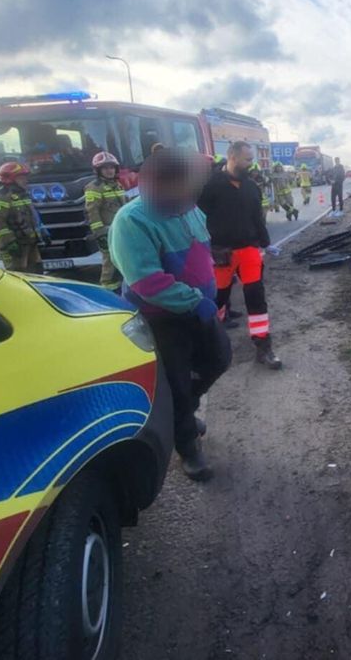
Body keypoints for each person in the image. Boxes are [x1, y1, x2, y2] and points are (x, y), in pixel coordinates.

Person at [109, 148, 230, 481]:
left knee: (219, 359)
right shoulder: (132, 220)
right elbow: (148, 282)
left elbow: (199, 248)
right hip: (161, 318)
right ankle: (188, 447)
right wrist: (196, 301)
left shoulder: (190, 209)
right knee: (177, 384)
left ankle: (183, 414)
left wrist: (215, 260)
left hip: (198, 310)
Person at [198, 140, 284, 370]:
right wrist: (204, 247)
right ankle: (211, 345)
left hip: (249, 251)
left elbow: (258, 219)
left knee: (256, 297)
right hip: (221, 253)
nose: (251, 163)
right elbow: (196, 219)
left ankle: (263, 346)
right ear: (233, 157)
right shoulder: (210, 185)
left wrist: (266, 244)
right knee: (218, 299)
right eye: (247, 159)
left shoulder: (251, 187)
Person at [0, 161, 43, 272]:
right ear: (11, 179)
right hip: (14, 244)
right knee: (18, 273)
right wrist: (10, 243)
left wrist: (41, 232)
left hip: (29, 241)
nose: (25, 180)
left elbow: (31, 216)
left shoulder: (22, 194)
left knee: (37, 270)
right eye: (22, 177)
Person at [84, 151, 128, 289]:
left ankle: (122, 287)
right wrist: (100, 233)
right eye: (105, 168)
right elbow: (92, 211)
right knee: (109, 261)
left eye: (111, 167)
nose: (109, 171)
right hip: (107, 231)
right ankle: (108, 288)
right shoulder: (94, 187)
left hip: (121, 229)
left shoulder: (118, 185)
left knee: (123, 258)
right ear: (98, 170)